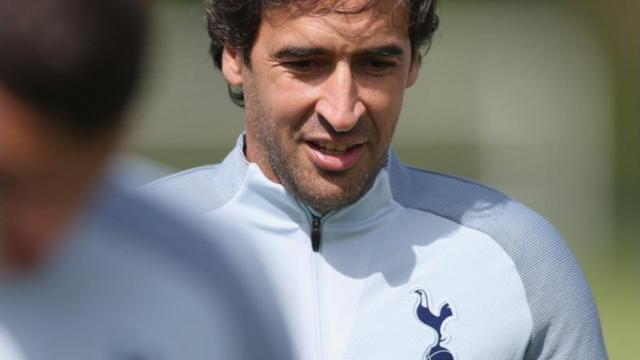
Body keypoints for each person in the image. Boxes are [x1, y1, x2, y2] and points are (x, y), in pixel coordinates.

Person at [146, 0, 608, 358]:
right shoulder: (133, 244)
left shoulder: (521, 258)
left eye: (375, 64)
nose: (342, 111)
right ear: (234, 55)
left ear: (412, 65)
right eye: (305, 64)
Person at [0, 0, 288, 359]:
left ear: (119, 136)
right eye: (9, 182)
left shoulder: (207, 278)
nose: (38, 234)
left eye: (78, 187)